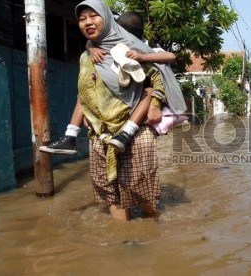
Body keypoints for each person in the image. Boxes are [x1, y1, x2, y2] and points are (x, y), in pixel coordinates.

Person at [70, 0, 180, 220]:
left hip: (135, 131)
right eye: (82, 19)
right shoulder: (92, 53)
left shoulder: (139, 52)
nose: (88, 23)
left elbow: (157, 81)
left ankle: (151, 228)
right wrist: (91, 48)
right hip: (101, 133)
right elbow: (85, 89)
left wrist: (155, 104)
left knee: (141, 187)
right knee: (111, 191)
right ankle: (122, 242)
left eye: (93, 17)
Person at [39, 12, 175, 154]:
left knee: (149, 91)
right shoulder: (106, 52)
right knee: (84, 93)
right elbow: (89, 42)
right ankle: (71, 136)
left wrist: (142, 57)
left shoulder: (143, 52)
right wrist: (91, 49)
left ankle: (124, 133)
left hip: (134, 116)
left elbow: (170, 57)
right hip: (106, 117)